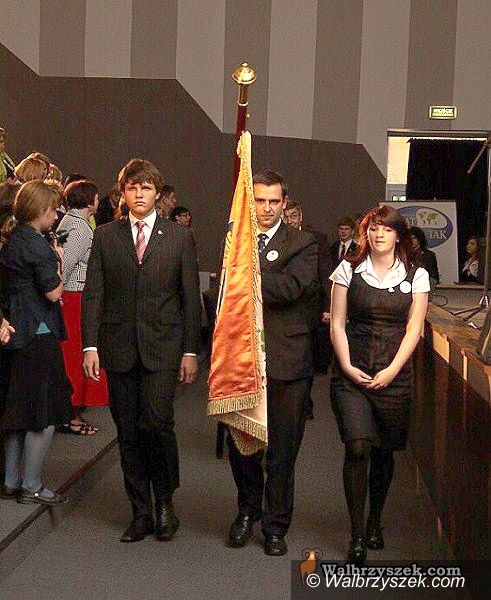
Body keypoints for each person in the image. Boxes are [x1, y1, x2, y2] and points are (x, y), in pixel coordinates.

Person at [82, 158, 201, 543]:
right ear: (123, 193)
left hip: (163, 348)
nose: (138, 194)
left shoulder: (179, 237)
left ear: (157, 193)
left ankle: (165, 501)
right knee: (128, 431)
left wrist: (191, 351)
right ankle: (140, 511)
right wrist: (89, 345)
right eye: (132, 188)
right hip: (118, 348)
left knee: (157, 424)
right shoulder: (105, 236)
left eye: (146, 188)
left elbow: (190, 298)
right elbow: (94, 294)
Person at [226, 170, 319, 556]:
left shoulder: (304, 242)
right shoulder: (235, 239)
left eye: (273, 201)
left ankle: (276, 525)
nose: (266, 208)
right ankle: (247, 510)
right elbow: (224, 291)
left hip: (288, 361)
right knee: (242, 444)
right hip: (241, 360)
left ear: (284, 203)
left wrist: (247, 274)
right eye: (260, 200)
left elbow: (292, 288)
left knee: (282, 451)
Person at [329, 205, 429, 564]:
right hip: (352, 374)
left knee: (384, 453)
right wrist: (346, 365)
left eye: (386, 229)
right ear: (365, 233)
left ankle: (375, 521)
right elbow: (337, 323)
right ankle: (357, 534)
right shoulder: (348, 269)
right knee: (357, 448)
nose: (378, 235)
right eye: (373, 229)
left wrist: (392, 370)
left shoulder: (417, 275)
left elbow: (414, 329)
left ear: (398, 235)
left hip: (394, 377)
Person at [0, 180, 72, 504]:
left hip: (15, 333)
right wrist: (60, 261)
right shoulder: (39, 246)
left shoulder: (12, 240)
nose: (56, 216)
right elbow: (53, 293)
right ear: (41, 209)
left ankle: (11, 481)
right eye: (53, 210)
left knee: (17, 413)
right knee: (43, 414)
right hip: (39, 334)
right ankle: (32, 485)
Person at [57, 180, 108, 435]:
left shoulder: (71, 222)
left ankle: (72, 412)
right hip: (73, 297)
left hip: (72, 296)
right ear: (89, 200)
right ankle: (71, 414)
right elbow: (65, 266)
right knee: (74, 357)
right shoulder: (78, 227)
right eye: (96, 197)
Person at [283, 199, 332, 418]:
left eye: (293, 216)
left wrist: (327, 307)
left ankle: (305, 402)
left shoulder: (317, 239)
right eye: (286, 217)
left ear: (300, 216)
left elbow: (326, 275)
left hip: (309, 307)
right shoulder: (275, 238)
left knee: (306, 359)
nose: (290, 221)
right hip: (283, 306)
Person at [409, 226, 440, 291]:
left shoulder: (429, 255)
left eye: (414, 238)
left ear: (419, 239)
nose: (411, 241)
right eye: (409, 238)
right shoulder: (404, 255)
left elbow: (434, 277)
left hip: (425, 288)